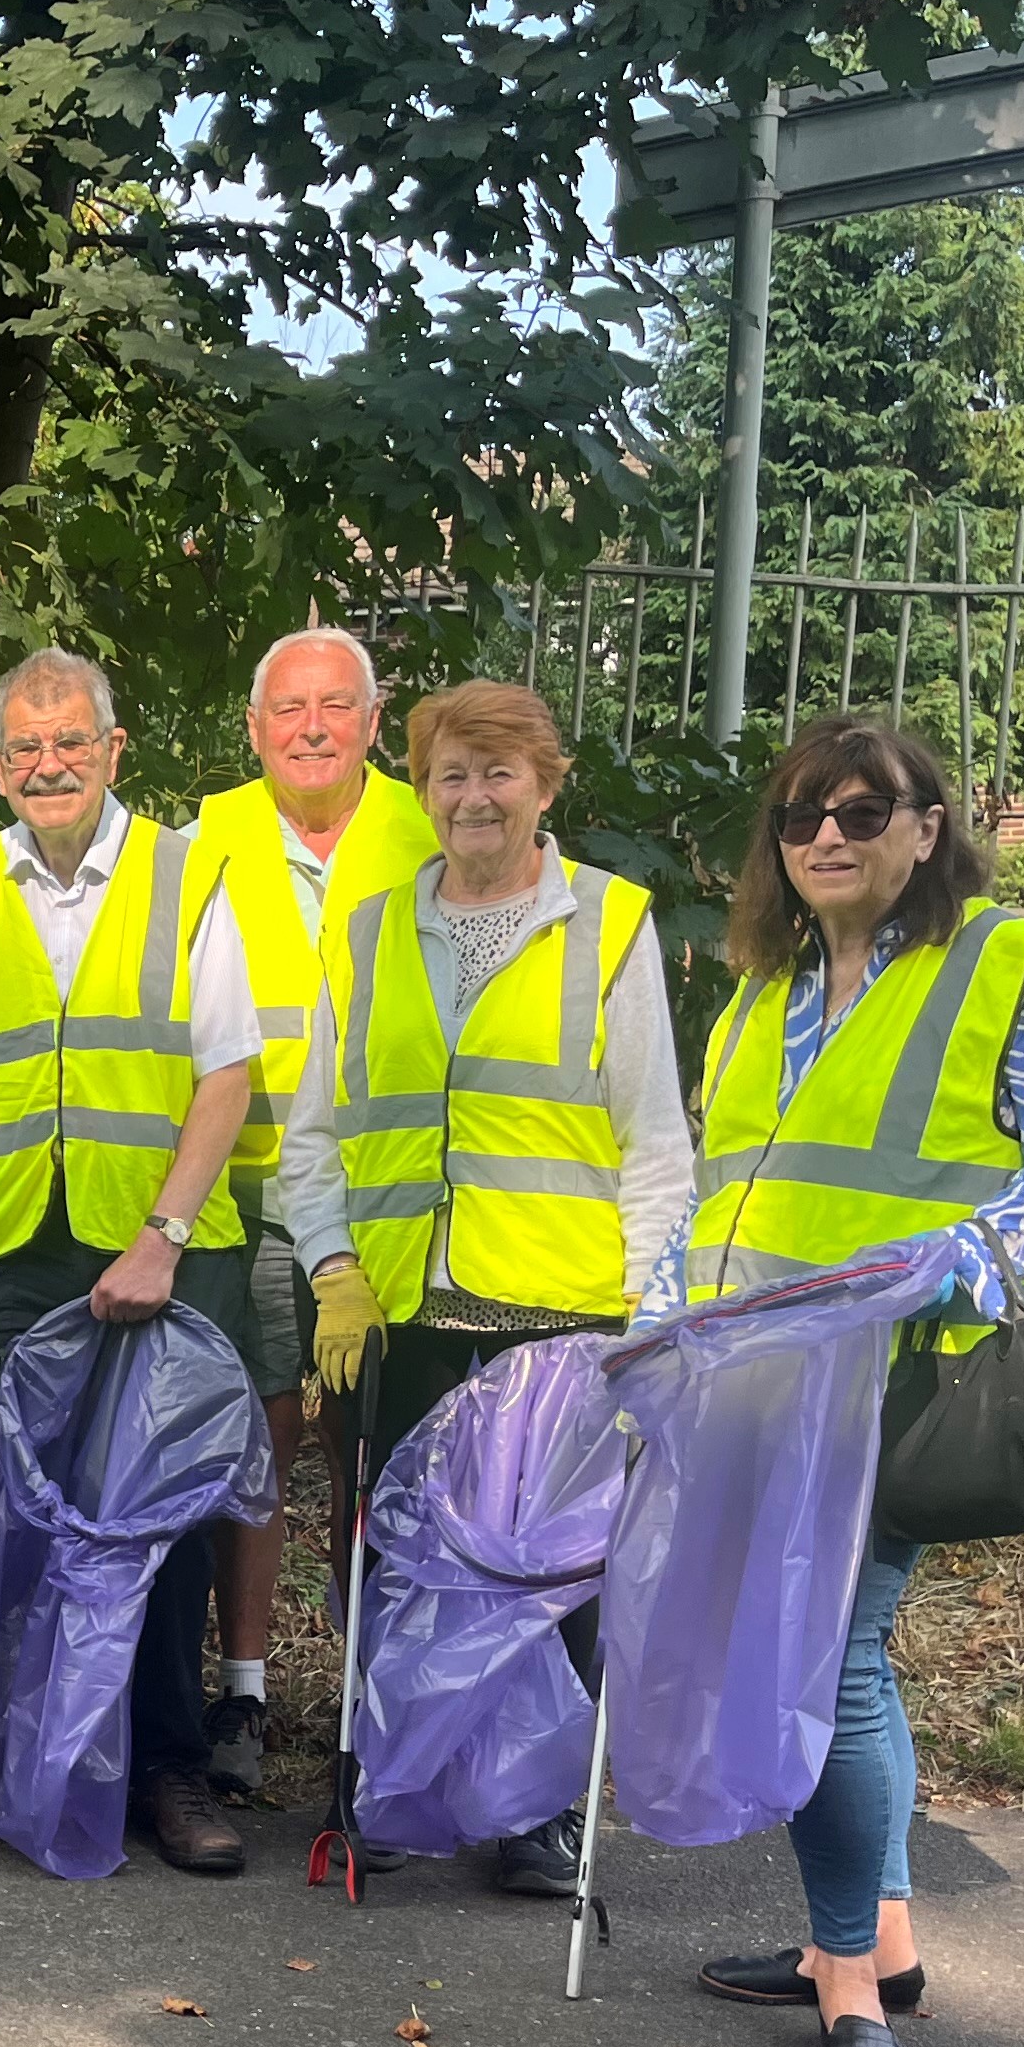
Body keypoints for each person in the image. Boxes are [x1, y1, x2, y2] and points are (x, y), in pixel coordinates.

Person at [672, 715, 1024, 2047]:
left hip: (893, 1376)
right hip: (754, 1380)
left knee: (830, 1659)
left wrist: (968, 1259)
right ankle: (885, 1940)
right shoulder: (764, 991)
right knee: (846, 1652)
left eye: (865, 812)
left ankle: (850, 1985)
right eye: (804, 814)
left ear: (927, 830)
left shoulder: (1007, 969)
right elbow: (727, 1196)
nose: (828, 835)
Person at [276, 676, 692, 1894]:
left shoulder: (609, 925)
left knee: (546, 1567)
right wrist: (333, 1269)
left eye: (498, 773)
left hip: (558, 1311)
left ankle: (539, 1812)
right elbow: (314, 1139)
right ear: (421, 789)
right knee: (392, 1549)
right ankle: (392, 1775)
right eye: (451, 774)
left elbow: (657, 1145)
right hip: (394, 1309)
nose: (473, 797)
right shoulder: (366, 932)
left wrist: (650, 1317)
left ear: (546, 787)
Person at [0, 647, 268, 1876]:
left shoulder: (186, 875)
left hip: (150, 1242)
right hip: (8, 1245)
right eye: (24, 746)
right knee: (29, 1509)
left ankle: (165, 1765)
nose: (48, 764)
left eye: (71, 742)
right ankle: (30, 1745)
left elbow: (229, 1070)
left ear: (115, 751)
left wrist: (161, 1235)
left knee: (154, 1516)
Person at [182, 628, 435, 1799]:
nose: (313, 727)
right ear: (253, 727)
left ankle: (365, 1711)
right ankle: (241, 1697)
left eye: (336, 706)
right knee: (254, 1459)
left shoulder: (433, 830)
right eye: (289, 709)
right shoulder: (201, 843)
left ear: (375, 722)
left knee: (375, 1467)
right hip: (242, 1203)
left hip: (387, 1211)